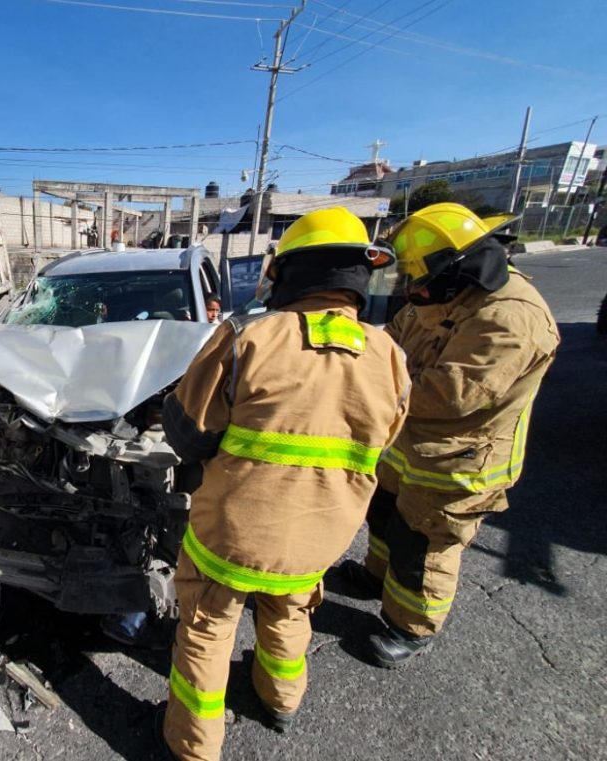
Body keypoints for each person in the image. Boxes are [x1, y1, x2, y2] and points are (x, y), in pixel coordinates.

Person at [157, 207, 411, 761]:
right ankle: (281, 701)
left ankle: (194, 744)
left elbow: (190, 433)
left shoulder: (247, 337)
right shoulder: (389, 355)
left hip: (231, 536)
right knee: (290, 612)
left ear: (289, 271)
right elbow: (385, 440)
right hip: (320, 534)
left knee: (207, 628)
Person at [340, 202, 559, 668]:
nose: (412, 292)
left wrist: (362, 390)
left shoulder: (510, 319)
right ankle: (376, 578)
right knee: (385, 516)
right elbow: (388, 341)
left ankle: (411, 626)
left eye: (418, 282)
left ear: (457, 270)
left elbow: (449, 395)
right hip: (408, 446)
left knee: (423, 544)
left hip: (458, 462)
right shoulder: (442, 296)